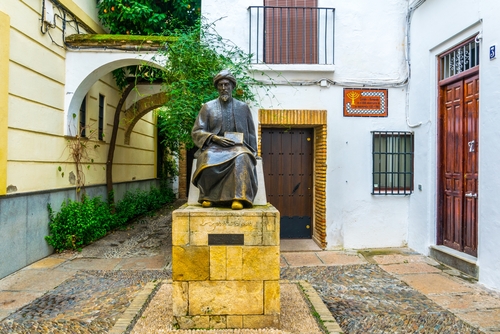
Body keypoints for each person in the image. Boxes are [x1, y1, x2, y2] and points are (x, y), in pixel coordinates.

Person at [191, 70, 258, 210]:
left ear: (232, 86)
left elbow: (251, 132)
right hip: (214, 146)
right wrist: (214, 138)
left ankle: (238, 197)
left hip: (238, 146)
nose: (223, 88)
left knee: (243, 157)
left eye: (226, 84)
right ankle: (208, 197)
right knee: (207, 157)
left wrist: (254, 151)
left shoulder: (243, 107)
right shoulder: (208, 107)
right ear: (217, 87)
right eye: (220, 85)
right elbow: (197, 131)